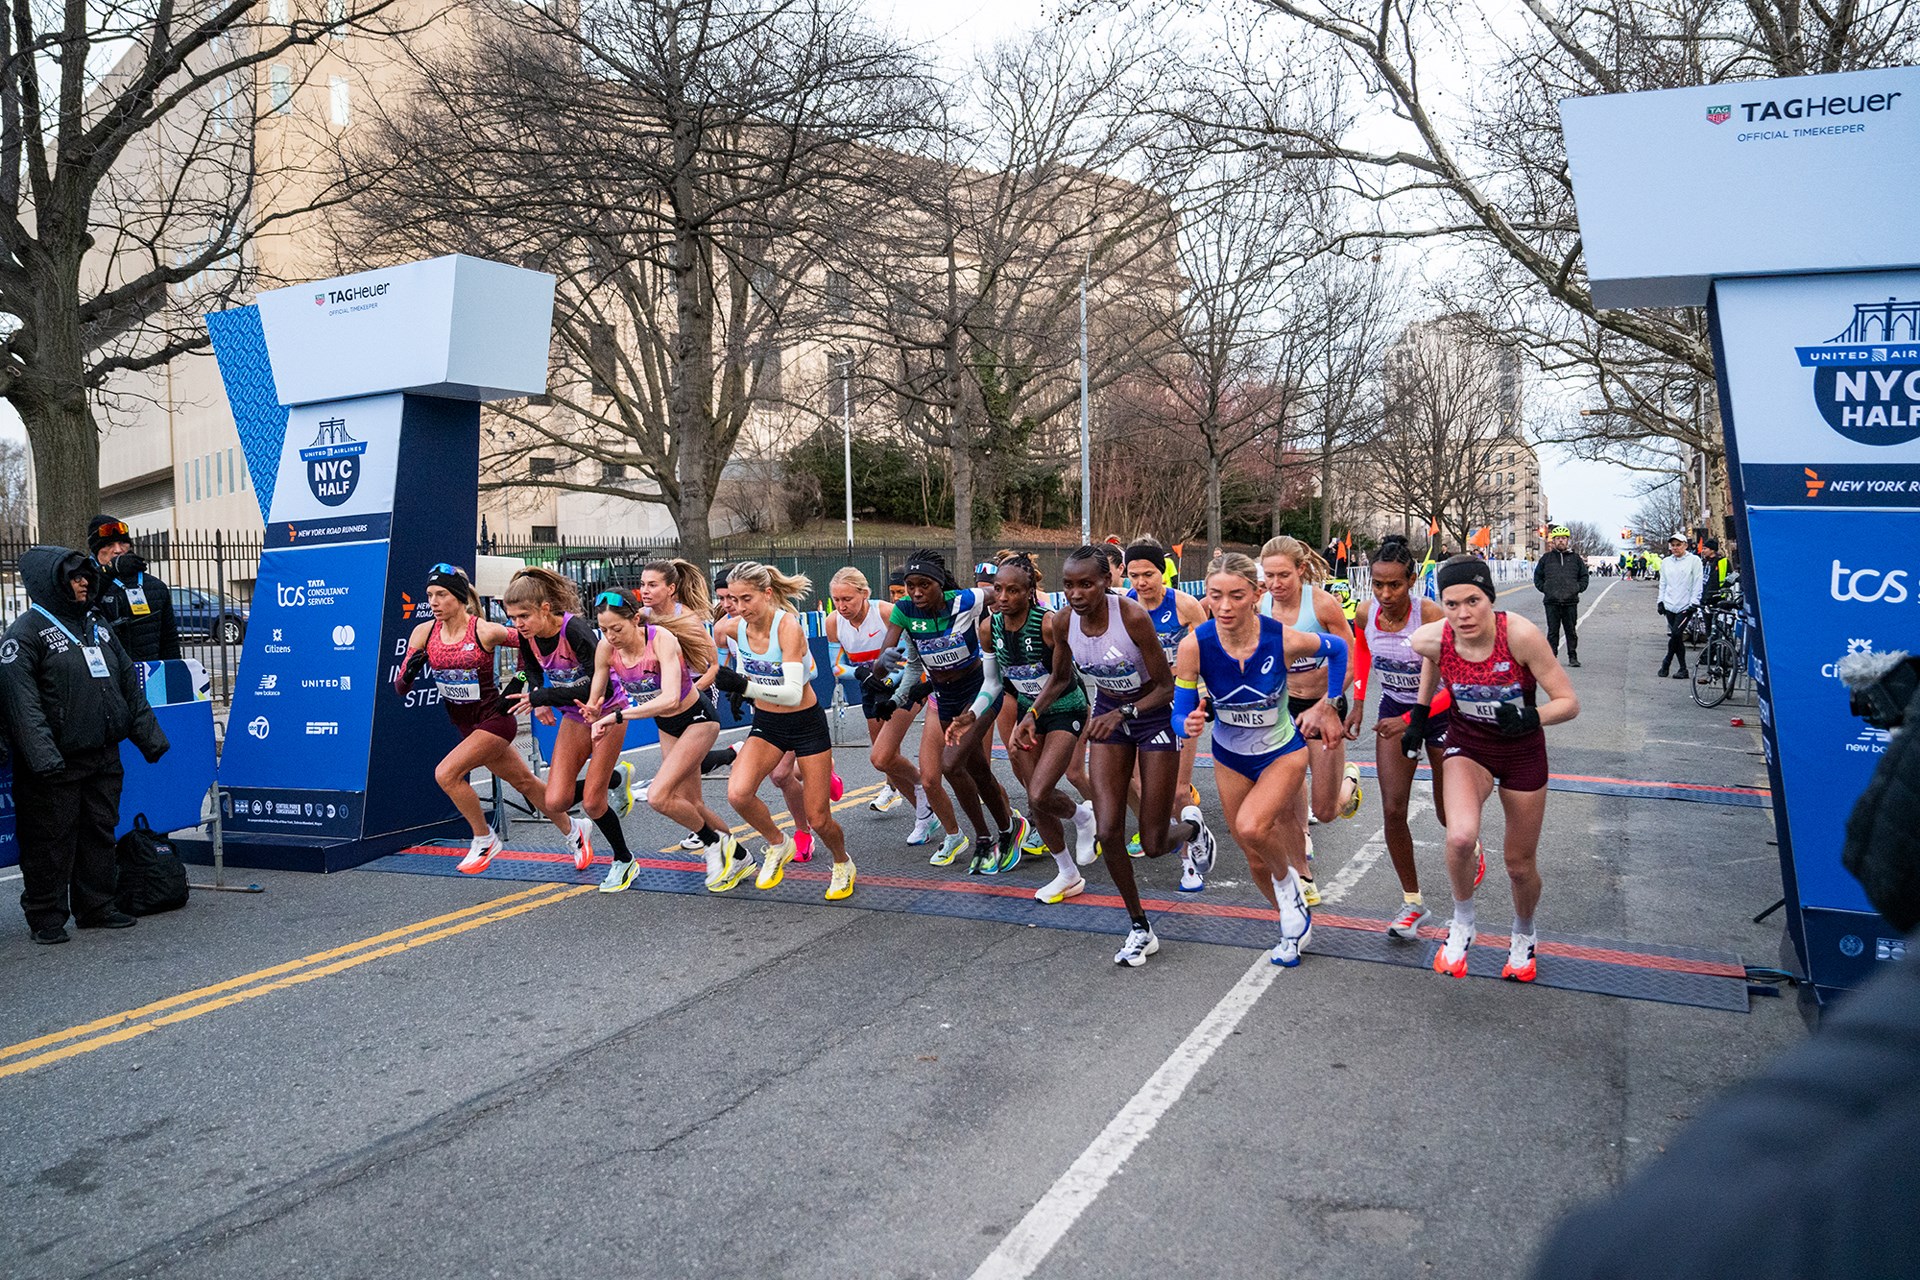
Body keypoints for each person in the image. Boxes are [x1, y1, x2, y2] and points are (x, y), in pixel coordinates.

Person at [1024, 545, 1216, 967]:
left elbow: (1166, 686)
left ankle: (1191, 829)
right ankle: (1139, 926)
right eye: (1069, 585)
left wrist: (1126, 712)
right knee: (1109, 832)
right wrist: (1032, 714)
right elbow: (1059, 677)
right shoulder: (1063, 621)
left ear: (1106, 582)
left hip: (1152, 716)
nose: (1076, 593)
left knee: (1153, 842)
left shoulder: (1131, 617)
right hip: (1109, 716)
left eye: (1086, 584)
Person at [1405, 556, 1579, 981]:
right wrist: (1420, 715)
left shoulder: (1519, 635)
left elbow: (1569, 702)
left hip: (1522, 750)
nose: (1463, 614)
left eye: (1473, 601)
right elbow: (1432, 654)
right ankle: (1463, 922)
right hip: (1470, 746)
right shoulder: (1435, 636)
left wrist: (1532, 717)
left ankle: (1524, 933)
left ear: (1490, 599)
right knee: (1460, 837)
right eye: (1451, 604)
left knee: (1519, 864)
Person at [1175, 553, 1348, 966]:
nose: (1225, 606)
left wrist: (1330, 704)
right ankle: (1291, 918)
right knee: (1253, 855)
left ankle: (1290, 889)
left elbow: (1340, 648)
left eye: (1236, 596)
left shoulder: (1282, 638)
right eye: (1215, 595)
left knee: (1252, 827)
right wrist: (1188, 722)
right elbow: (1180, 713)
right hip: (1229, 756)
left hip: (1281, 753)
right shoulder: (1194, 646)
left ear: (1257, 594)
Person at [0, 545, 169, 943]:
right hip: (55, 763)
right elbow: (21, 705)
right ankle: (46, 917)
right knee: (50, 842)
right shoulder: (25, 634)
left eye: (86, 576)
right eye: (74, 577)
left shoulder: (96, 623)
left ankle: (96, 906)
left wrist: (150, 738)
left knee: (100, 832)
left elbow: (128, 685)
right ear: (52, 583)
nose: (83, 582)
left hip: (103, 755)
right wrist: (45, 759)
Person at [392, 564, 576, 875]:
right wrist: (409, 673)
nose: (433, 601)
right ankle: (574, 830)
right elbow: (400, 688)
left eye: (441, 594)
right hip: (465, 723)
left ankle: (484, 838)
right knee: (525, 782)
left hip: (495, 719)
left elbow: (528, 644)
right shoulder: (424, 632)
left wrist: (517, 683)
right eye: (430, 595)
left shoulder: (485, 631)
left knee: (446, 774)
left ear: (459, 597)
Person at [1345, 536, 1473, 940]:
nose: (1385, 594)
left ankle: (1471, 850)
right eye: (1378, 584)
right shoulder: (1366, 611)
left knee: (1446, 813)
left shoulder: (1430, 614)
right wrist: (1359, 702)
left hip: (1441, 714)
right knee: (1392, 809)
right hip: (1394, 710)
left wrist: (1409, 719)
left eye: (1395, 585)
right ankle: (1412, 902)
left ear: (1412, 581)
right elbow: (1362, 651)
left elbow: (1456, 684)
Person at [710, 562, 856, 900]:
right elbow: (726, 662)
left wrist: (744, 687)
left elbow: (791, 693)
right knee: (738, 793)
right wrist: (735, 687)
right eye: (733, 599)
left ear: (767, 593)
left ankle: (842, 863)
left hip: (805, 724)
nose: (739, 607)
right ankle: (778, 843)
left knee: (819, 819)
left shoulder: (787, 627)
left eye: (746, 598)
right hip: (767, 724)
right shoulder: (731, 628)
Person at [875, 550, 1024, 874]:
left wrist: (1015, 613)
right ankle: (995, 832)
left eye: (924, 585)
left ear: (940, 584)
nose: (916, 592)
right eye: (911, 585)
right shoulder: (904, 610)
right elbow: (885, 655)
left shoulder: (965, 600)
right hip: (945, 696)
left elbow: (1001, 593)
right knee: (975, 770)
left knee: (951, 764)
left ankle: (999, 832)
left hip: (980, 690)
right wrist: (882, 662)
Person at [959, 553, 1096, 902]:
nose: (1003, 597)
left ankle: (1083, 818)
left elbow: (1061, 678)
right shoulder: (989, 628)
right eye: (998, 589)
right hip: (1028, 711)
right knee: (1038, 799)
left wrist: (1032, 714)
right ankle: (1068, 871)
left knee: (1038, 792)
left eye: (1013, 590)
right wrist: (971, 714)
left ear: (1029, 591)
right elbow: (993, 683)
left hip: (1065, 707)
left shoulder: (1049, 624)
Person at [585, 589, 740, 892]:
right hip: (667, 725)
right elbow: (597, 690)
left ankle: (712, 844)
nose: (611, 636)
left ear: (635, 620)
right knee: (691, 804)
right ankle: (739, 856)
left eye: (616, 628)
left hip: (697, 719)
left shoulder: (661, 639)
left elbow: (670, 699)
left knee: (658, 796)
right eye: (604, 630)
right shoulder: (606, 647)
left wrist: (618, 716)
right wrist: (593, 708)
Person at [1259, 535, 1362, 905]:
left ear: (1301, 570)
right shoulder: (1261, 605)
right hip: (1284, 708)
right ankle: (1303, 875)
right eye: (1269, 576)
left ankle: (1348, 782)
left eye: (1283, 575)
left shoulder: (1321, 604)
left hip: (1325, 705)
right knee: (1285, 800)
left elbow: (1351, 659)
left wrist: (1328, 703)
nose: (1275, 584)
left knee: (1326, 811)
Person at [498, 567, 613, 874]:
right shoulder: (528, 636)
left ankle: (623, 860)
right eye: (512, 617)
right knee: (556, 801)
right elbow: (532, 671)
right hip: (574, 713)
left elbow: (599, 685)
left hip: (606, 710)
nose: (518, 624)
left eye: (524, 616)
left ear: (545, 608)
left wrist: (544, 698)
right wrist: (537, 694)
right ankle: (614, 780)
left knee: (593, 801)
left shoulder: (574, 630)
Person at [1125, 538, 1211, 884]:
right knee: (1137, 783)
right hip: (1142, 700)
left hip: (1180, 698)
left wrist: (1206, 698)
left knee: (1178, 789)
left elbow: (1209, 653)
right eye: (1134, 575)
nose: (1141, 582)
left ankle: (1190, 863)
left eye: (1148, 574)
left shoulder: (1185, 605)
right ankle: (1180, 825)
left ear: (1162, 572)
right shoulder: (1123, 606)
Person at [87, 514, 180, 662]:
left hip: (149, 670)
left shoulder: (156, 586)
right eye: (109, 545)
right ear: (96, 550)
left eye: (123, 543)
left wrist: (172, 670)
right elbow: (78, 607)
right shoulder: (84, 582)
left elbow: (169, 641)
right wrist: (109, 570)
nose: (118, 550)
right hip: (107, 671)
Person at [1533, 524, 1590, 667]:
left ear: (1567, 540)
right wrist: (1545, 589)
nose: (1560, 541)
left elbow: (1584, 576)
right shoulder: (1546, 558)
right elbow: (1538, 577)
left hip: (1570, 601)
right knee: (1553, 631)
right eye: (1558, 538)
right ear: (1553, 541)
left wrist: (1577, 588)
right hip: (1551, 601)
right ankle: (1551, 657)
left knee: (1571, 631)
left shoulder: (1575, 559)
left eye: (1563, 538)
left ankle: (1572, 656)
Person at [1656, 531, 1703, 680]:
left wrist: (1694, 602)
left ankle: (1667, 662)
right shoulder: (1666, 562)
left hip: (1685, 605)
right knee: (1676, 637)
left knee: (1677, 634)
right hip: (1669, 604)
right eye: (1673, 545)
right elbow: (1663, 582)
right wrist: (1660, 601)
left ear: (1685, 546)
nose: (1675, 548)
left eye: (1678, 545)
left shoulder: (1694, 561)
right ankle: (1683, 669)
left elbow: (1697, 582)